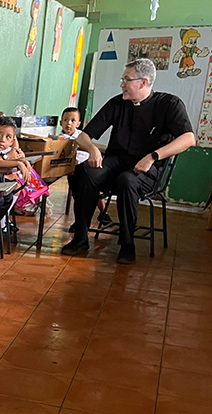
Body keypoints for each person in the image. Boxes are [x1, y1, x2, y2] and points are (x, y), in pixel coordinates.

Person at [62, 58, 198, 264]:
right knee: (86, 172)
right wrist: (92, 150)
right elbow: (83, 135)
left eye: (126, 79)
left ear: (143, 82)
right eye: (122, 79)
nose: (122, 84)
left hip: (147, 169)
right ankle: (81, 238)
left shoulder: (169, 104)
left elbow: (188, 138)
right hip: (115, 162)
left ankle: (127, 244)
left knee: (127, 181)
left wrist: (153, 156)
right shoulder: (118, 103)